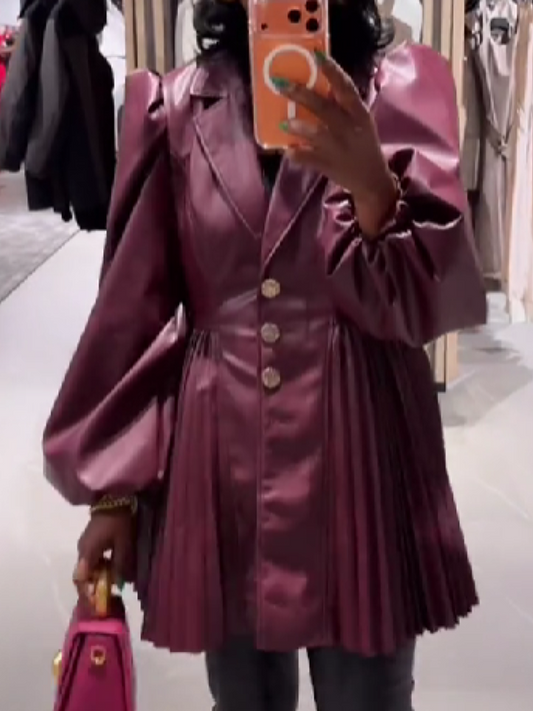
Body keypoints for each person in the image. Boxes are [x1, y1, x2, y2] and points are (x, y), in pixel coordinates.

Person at [42, 0, 487, 709]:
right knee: (244, 699)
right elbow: (132, 315)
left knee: (368, 699)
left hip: (362, 457)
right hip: (223, 467)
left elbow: (430, 305)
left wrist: (372, 184)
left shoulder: (400, 91)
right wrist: (114, 495)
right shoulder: (175, 107)